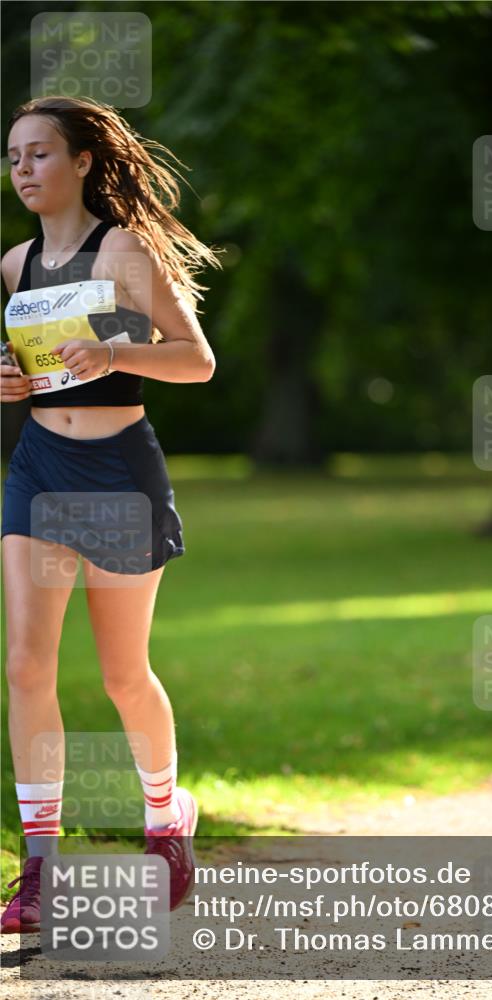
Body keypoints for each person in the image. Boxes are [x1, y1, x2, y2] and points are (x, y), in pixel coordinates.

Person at [0, 96, 222, 933]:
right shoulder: (15, 264)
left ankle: (167, 819)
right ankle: (40, 871)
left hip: (119, 473)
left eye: (40, 154)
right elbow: (30, 369)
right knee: (25, 666)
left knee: (123, 676)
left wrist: (115, 351)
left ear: (84, 161)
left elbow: (197, 361)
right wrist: (11, 383)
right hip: (39, 472)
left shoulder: (122, 249)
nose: (24, 170)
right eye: (14, 157)